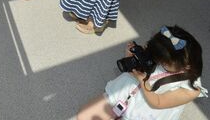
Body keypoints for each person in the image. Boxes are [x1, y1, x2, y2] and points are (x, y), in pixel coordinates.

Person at [78, 25, 207, 119]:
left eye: (164, 63)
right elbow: (141, 67)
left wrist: (143, 81)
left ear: (187, 66)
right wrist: (133, 58)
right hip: (126, 93)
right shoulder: (161, 53)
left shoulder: (191, 89)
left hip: (146, 111)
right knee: (84, 116)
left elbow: (158, 102)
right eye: (158, 60)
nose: (160, 63)